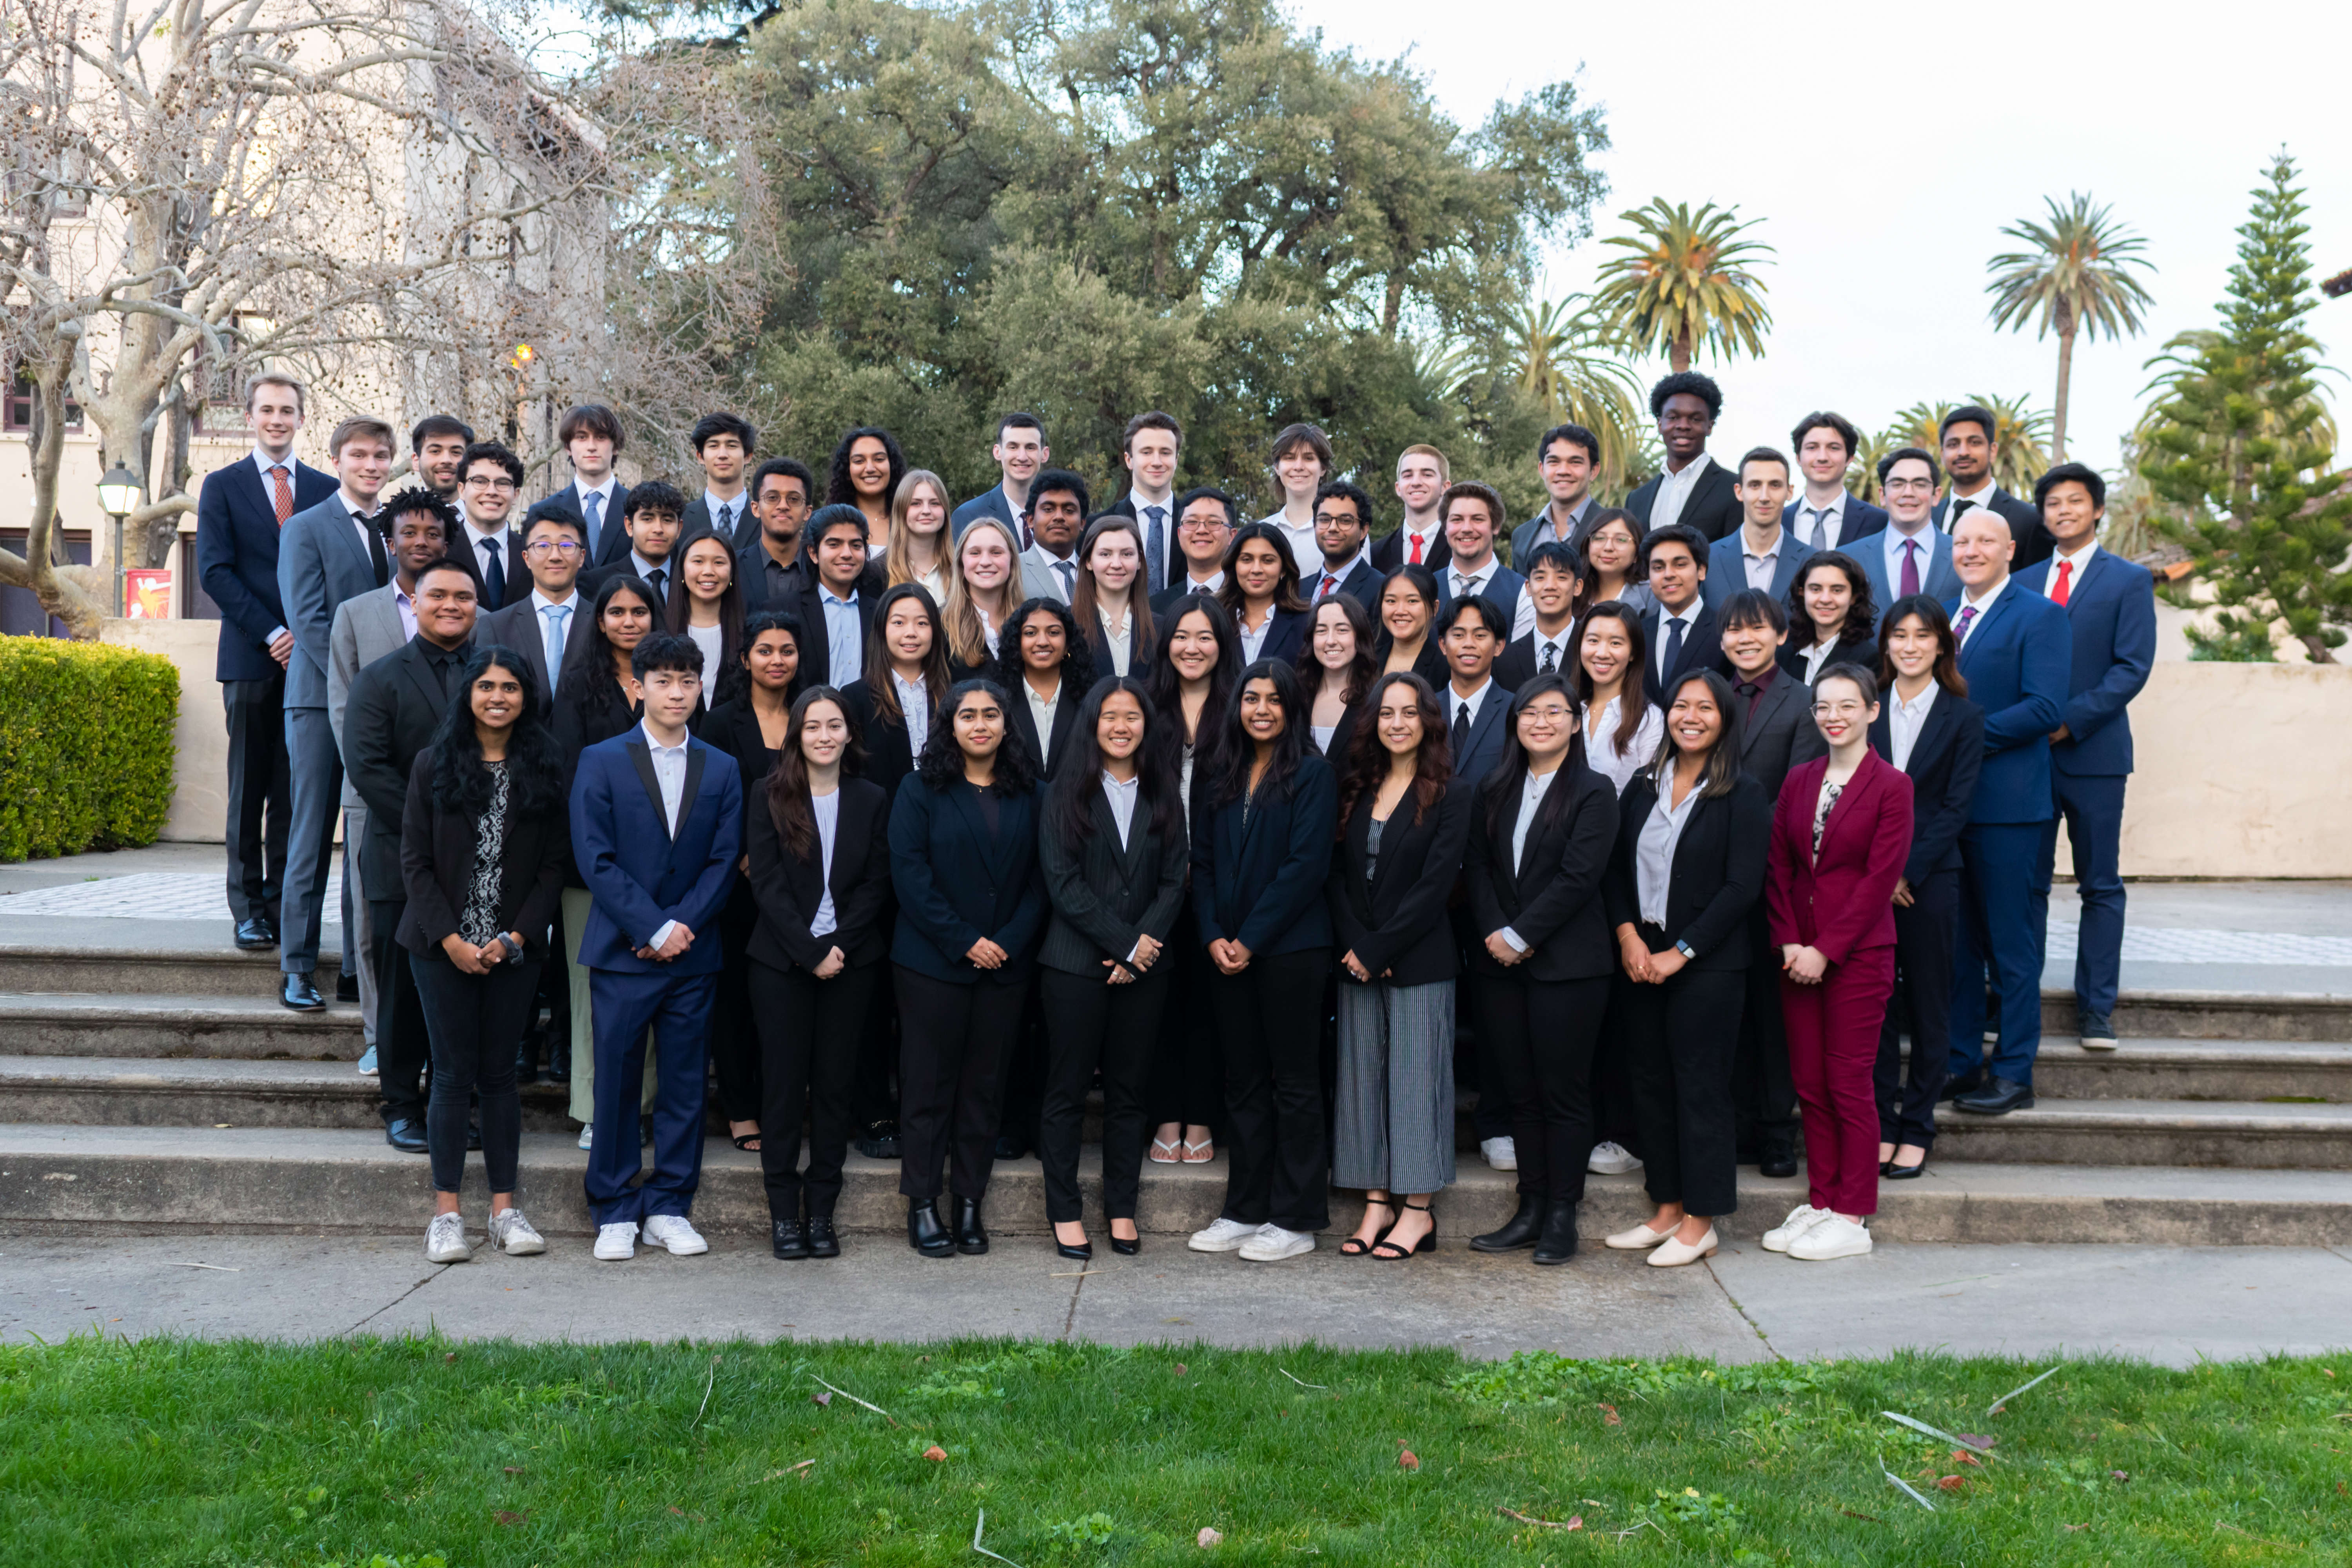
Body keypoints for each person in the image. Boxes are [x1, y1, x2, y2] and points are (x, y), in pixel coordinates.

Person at [571, 633, 743, 1262]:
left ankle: (669, 1205)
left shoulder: (722, 767)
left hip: (693, 954)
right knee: (617, 1083)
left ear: (700, 688)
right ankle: (615, 1208)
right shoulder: (601, 759)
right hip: (623, 954)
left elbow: (725, 859)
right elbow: (595, 857)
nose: (677, 693)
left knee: (684, 1085)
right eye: (664, 681)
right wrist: (651, 928)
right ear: (637, 687)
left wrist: (680, 928)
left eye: (688, 682)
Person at [400, 646, 568, 1264]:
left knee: (499, 1077)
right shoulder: (433, 764)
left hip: (513, 951)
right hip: (439, 947)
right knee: (450, 1075)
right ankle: (446, 1217)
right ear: (469, 694)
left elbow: (554, 867)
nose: (499, 697)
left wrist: (515, 938)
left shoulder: (545, 766)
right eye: (487, 686)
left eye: (511, 687)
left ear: (527, 697)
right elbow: (414, 862)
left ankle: (504, 1212)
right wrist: (451, 940)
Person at [1601, 669, 1770, 1268]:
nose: (1690, 717)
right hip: (1641, 957)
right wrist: (1628, 936)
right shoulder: (1643, 785)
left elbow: (1742, 887)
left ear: (1725, 720)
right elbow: (1613, 869)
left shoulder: (1743, 793)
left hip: (1708, 964)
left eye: (1705, 708)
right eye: (1681, 706)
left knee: (1701, 1090)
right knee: (1649, 1084)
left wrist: (1683, 951)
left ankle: (1702, 1221)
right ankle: (1667, 1208)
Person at [1186, 661, 1338, 1263]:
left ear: (1292, 708)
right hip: (1225, 951)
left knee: (1295, 1082)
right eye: (1252, 699)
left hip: (1291, 950)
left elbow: (1305, 867)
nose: (1262, 710)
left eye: (1275, 700)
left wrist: (1248, 939)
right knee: (1243, 1081)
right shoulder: (1219, 772)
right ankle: (1245, 1209)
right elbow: (1202, 863)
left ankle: (1296, 1218)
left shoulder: (1314, 774)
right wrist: (1213, 936)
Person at [889, 679, 1047, 1258]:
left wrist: (1004, 942)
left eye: (991, 715)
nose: (980, 724)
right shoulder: (919, 788)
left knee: (985, 1089)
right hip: (933, 964)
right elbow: (910, 874)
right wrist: (965, 941)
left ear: (1007, 724)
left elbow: (1043, 879)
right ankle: (923, 1204)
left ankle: (970, 1203)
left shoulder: (1034, 793)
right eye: (968, 715)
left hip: (1005, 964)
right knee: (928, 1088)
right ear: (949, 725)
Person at [1464, 675, 1619, 1263]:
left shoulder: (1595, 791)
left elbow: (1580, 877)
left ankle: (1561, 1213)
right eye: (1529, 712)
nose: (1541, 722)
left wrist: (1521, 935)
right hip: (1500, 964)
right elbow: (1477, 868)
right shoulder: (1494, 787)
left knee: (1563, 1093)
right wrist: (1496, 932)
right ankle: (1529, 1208)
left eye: (1555, 712)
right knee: (1521, 1094)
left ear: (1575, 724)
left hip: (1569, 966)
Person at [1762, 664, 1912, 1263]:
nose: (1834, 716)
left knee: (1849, 1083)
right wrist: (1790, 943)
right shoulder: (1800, 779)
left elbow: (1879, 881)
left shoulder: (1893, 786)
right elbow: (1779, 866)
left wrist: (1825, 950)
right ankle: (1822, 1202)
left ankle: (1853, 1213)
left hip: (1858, 955)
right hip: (1796, 954)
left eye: (1848, 705)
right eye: (1824, 706)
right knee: (1810, 1084)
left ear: (1872, 711)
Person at [1037, 677, 1189, 1260]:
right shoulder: (1064, 792)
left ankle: (1121, 1208)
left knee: (1130, 1094)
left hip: (1146, 970)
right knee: (1067, 1092)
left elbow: (1175, 878)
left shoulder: (1164, 789)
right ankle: (1065, 1213)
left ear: (1147, 725)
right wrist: (1127, 945)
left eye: (1132, 716)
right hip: (1075, 966)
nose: (1121, 726)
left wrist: (1141, 950)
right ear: (1092, 724)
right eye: (1110, 716)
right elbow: (1063, 884)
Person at [1328, 672, 1474, 1260]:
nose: (1397, 723)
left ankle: (1417, 1210)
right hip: (1357, 959)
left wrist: (1381, 948)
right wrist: (1359, 946)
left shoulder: (1452, 794)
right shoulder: (1355, 787)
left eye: (1409, 713)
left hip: (1419, 959)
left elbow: (1436, 886)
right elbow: (1335, 874)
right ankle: (1376, 1204)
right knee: (1361, 1084)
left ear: (1428, 721)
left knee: (1417, 1086)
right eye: (1387, 713)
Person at [744, 685, 892, 1259]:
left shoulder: (871, 798)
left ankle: (822, 1213)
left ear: (850, 733)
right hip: (782, 963)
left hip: (851, 963)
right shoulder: (769, 794)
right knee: (783, 1091)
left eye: (834, 725)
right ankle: (785, 1215)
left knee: (834, 1090)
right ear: (796, 735)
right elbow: (767, 883)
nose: (824, 736)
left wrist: (839, 948)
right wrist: (809, 951)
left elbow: (877, 883)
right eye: (813, 726)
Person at [343, 561, 481, 1153]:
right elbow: (367, 766)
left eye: (464, 597)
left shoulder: (493, 676)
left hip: (480, 863)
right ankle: (401, 1105)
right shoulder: (379, 679)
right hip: (399, 856)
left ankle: (455, 1102)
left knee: (462, 995)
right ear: (415, 603)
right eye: (438, 595)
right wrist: (434, 830)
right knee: (401, 991)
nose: (451, 605)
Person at [2016, 462, 2154, 1053]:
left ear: (2098, 510)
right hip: (2027, 758)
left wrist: (2070, 721)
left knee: (2099, 883)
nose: (2063, 511)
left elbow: (2132, 667)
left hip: (2095, 755)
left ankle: (2096, 1008)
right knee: (2026, 884)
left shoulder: (2129, 580)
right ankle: (2016, 1002)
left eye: (2075, 501)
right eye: (2053, 503)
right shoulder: (2021, 581)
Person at [198, 373, 337, 955]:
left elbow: (331, 572)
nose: (277, 420)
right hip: (251, 658)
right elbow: (215, 572)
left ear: (302, 418)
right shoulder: (222, 486)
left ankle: (284, 907)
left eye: (287, 410)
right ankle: (248, 911)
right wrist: (274, 632)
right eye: (267, 410)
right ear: (250, 417)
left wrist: (305, 637)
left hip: (312, 663)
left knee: (295, 792)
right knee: (248, 789)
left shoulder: (328, 488)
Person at [329, 488, 460, 1077]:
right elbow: (343, 709)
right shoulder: (356, 613)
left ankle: (438, 1039)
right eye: (409, 532)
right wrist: (396, 797)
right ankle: (380, 1036)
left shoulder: (469, 613)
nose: (421, 542)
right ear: (389, 541)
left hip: (456, 806)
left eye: (433, 533)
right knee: (373, 922)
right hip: (375, 797)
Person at [1943, 511, 2069, 1116]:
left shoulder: (2041, 616)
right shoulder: (1942, 616)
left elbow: (2045, 709)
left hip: (2009, 809)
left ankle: (2015, 1072)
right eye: (1962, 541)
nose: (1971, 550)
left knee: (2011, 947)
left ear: (2010, 550)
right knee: (1959, 946)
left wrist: (1962, 739)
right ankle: (1961, 1062)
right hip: (1949, 810)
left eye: (1985, 541)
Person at [276, 415, 394, 1011]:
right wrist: (361, 687)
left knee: (366, 837)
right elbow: (308, 620)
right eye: (359, 455)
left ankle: (355, 966)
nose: (371, 466)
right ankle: (297, 967)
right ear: (337, 461)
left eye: (381, 456)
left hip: (381, 711)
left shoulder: (396, 530)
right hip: (320, 701)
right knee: (312, 833)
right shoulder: (305, 526)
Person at [1869, 597, 1985, 1180]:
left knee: (1929, 1002)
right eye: (1899, 635)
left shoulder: (1964, 716)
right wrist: (1880, 874)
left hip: (1930, 880)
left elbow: (1955, 808)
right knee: (1877, 1006)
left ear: (1942, 644)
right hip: (1868, 879)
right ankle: (1881, 1124)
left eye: (1922, 635)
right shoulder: (1867, 708)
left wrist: (1905, 872)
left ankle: (1918, 1126)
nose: (1910, 645)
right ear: (1886, 643)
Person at [551, 575, 662, 1145]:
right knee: (590, 989)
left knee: (650, 988)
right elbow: (569, 775)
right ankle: (596, 1109)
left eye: (639, 611)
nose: (628, 621)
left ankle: (640, 1106)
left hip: (660, 869)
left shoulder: (669, 680)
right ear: (599, 621)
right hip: (590, 868)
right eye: (617, 612)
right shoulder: (577, 685)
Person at [842, 582, 951, 1160]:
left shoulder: (958, 693)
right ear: (881, 631)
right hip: (875, 865)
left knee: (930, 1000)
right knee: (872, 995)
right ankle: (873, 1110)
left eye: (922, 622)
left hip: (944, 865)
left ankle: (927, 1110)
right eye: (899, 622)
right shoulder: (855, 699)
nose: (911, 633)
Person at [700, 610, 806, 1152]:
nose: (777, 660)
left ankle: (781, 1105)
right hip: (739, 884)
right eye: (765, 650)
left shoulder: (812, 716)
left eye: (787, 650)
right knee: (737, 999)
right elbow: (711, 800)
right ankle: (741, 1110)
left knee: (787, 1001)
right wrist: (748, 857)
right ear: (745, 659)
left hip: (802, 882)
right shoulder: (721, 722)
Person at [1717, 588, 1812, 1178]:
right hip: (1710, 882)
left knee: (1772, 1013)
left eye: (1757, 628)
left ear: (1781, 635)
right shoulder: (1709, 697)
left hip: (1775, 880)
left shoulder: (1803, 701)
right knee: (1724, 1010)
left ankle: (1777, 1130)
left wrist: (1742, 846)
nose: (1744, 638)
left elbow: (1797, 793)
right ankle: (1730, 1126)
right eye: (1734, 629)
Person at [1142, 593, 1240, 1166]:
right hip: (1151, 882)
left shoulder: (1242, 707)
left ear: (1222, 645)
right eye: (1181, 636)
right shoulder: (1145, 704)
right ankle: (1164, 1116)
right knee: (1159, 1002)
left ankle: (1201, 1116)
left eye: (1205, 637)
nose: (1192, 647)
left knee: (1209, 1002)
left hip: (1220, 882)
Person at [477, 510, 592, 709]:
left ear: (582, 557)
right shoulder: (496, 626)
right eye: (543, 546)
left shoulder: (603, 622)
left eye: (566, 546)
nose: (555, 556)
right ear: (527, 558)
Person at [1625, 373, 1740, 541]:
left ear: (1710, 426)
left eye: (1695, 419)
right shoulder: (1636, 499)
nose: (1683, 426)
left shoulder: (1734, 490)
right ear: (1660, 424)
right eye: (1673, 418)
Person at [1933, 405, 2052, 567]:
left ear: (1993, 451)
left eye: (1975, 443)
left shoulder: (2029, 521)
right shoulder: (1929, 517)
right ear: (1942, 454)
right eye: (1953, 444)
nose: (1963, 452)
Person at [1703, 448, 1814, 612]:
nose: (1764, 497)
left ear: (1789, 492)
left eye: (1775, 485)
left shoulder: (1812, 561)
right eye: (1755, 485)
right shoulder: (1709, 560)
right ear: (1739, 492)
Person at [1855, 447, 1962, 617]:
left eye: (1920, 485)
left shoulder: (1964, 555)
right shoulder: (1852, 557)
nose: (1908, 493)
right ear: (1882, 495)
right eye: (1897, 484)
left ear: (1936, 495)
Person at [525, 403, 633, 568]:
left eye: (601, 437)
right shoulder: (541, 512)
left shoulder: (638, 508)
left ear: (616, 447)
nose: (592, 447)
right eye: (582, 437)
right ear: (568, 447)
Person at [1575, 603, 1664, 798]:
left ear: (1633, 653)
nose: (1602, 653)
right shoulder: (1566, 709)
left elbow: (1645, 797)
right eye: (1593, 641)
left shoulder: (1650, 721)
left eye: (1615, 643)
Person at [788, 506, 878, 691]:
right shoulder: (787, 611)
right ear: (813, 553)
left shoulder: (880, 613)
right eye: (834, 544)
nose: (847, 554)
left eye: (856, 545)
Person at [1781, 552, 1880, 714]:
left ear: (1854, 597)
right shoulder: (1783, 655)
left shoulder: (1868, 659)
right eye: (1816, 589)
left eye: (1837, 590)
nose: (1825, 599)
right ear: (1802, 593)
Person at [999, 597, 1087, 779]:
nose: (1042, 642)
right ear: (1017, 643)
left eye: (1053, 632)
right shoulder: (997, 701)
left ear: (1068, 644)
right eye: (1031, 633)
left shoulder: (1089, 700)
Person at [1435, 481, 1533, 640]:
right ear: (1445, 527)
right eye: (1457, 520)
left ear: (1496, 526)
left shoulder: (1523, 594)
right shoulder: (1426, 589)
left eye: (1478, 519)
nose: (1467, 529)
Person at [1434, 595, 1515, 787]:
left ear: (1499, 646)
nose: (1469, 644)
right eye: (1458, 635)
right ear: (1443, 645)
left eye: (1480, 635)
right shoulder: (1426, 709)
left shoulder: (1515, 710)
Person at [1639, 524, 1721, 702]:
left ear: (1701, 570)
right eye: (1658, 567)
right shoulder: (1636, 633)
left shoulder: (1724, 630)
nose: (1668, 574)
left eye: (1680, 565)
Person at [1783, 412, 1887, 551]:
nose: (1822, 457)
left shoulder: (1879, 522)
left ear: (1850, 458)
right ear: (1798, 457)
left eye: (1834, 448)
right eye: (1812, 448)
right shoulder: (1779, 521)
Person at [1071, 514, 1154, 682]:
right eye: (1105, 554)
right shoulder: (1067, 626)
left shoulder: (1160, 629)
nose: (1116, 564)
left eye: (1127, 554)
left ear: (1139, 561)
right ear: (1088, 561)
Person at [667, 534, 746, 710]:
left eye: (719, 562)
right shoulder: (660, 631)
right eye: (698, 561)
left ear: (732, 572)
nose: (708, 571)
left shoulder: (749, 635)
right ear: (682, 569)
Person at [1108, 412, 1184, 593]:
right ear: (1129, 460)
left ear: (1176, 461)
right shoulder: (1100, 524)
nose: (1157, 462)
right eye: (1147, 452)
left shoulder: (1195, 526)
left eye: (1165, 453)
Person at [1495, 540, 1584, 688]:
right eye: (1540, 578)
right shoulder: (1505, 660)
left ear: (1578, 587)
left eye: (1561, 577)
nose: (1550, 586)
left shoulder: (1592, 650)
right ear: (1528, 587)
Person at [1217, 522, 1309, 665]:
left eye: (1268, 561)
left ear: (1284, 569)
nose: (1256, 570)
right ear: (1234, 565)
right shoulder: (1214, 618)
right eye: (1247, 560)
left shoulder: (1306, 623)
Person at [579, 481, 686, 602]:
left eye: (667, 520)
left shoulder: (691, 582)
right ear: (630, 526)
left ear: (679, 529)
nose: (658, 529)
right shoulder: (596, 584)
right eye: (647, 519)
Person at [952, 412, 1050, 546]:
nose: (1022, 457)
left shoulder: (1061, 516)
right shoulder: (969, 516)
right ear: (997, 452)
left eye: (1030, 448)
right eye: (1013, 447)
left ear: (1045, 454)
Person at [1299, 592, 1376, 760]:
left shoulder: (1376, 700)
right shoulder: (1297, 697)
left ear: (1360, 636)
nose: (1331, 641)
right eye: (1321, 631)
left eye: (1342, 630)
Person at [454, 441, 528, 611]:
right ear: (462, 490)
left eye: (503, 483)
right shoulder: (442, 548)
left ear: (515, 495)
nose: (491, 491)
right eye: (480, 481)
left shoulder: (531, 551)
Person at [945, 515, 1021, 677]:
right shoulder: (941, 625)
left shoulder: (1030, 621)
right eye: (975, 553)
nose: (985, 562)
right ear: (961, 563)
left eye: (996, 552)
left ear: (1012, 561)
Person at [738, 457, 818, 606]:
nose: (783, 506)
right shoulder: (733, 568)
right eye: (773, 498)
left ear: (807, 512)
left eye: (794, 499)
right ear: (756, 508)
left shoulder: (821, 570)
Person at [1513, 424, 1601, 561]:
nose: (1563, 471)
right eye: (1554, 462)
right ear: (1542, 470)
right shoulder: (1521, 536)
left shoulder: (1613, 528)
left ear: (1594, 471)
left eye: (1575, 462)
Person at [1258, 422, 1334, 570]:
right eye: (1290, 458)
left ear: (1323, 468)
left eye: (1309, 458)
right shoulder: (1262, 531)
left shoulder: (1344, 532)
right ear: (1277, 467)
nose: (1299, 467)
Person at [1151, 486, 1237, 610]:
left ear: (1232, 536)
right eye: (1191, 522)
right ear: (1179, 534)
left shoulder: (1248, 600)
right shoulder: (1156, 607)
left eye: (1213, 523)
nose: (1201, 530)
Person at [826, 426, 906, 557]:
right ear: (847, 470)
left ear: (892, 466)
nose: (870, 468)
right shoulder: (825, 522)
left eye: (879, 459)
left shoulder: (911, 520)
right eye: (859, 461)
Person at [1371, 445, 1451, 572]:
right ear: (1398, 488)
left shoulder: (1459, 548)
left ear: (1445, 487)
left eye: (1427, 475)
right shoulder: (1376, 554)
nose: (1416, 482)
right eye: (1408, 475)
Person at [683, 412, 758, 547]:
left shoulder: (766, 518)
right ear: (700, 457)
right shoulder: (680, 519)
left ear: (748, 456)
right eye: (714, 446)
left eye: (732, 446)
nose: (723, 455)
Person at [1300, 480, 1379, 605]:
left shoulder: (1381, 589)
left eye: (1345, 521)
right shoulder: (1298, 590)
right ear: (1314, 525)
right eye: (1324, 520)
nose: (1333, 528)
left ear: (1364, 530)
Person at [1019, 468, 1088, 603]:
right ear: (1031, 520)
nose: (1059, 517)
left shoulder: (1096, 571)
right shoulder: (1013, 570)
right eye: (1048, 509)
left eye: (1069, 510)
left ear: (1082, 523)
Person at [1374, 564, 1450, 686]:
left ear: (1434, 608)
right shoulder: (1369, 661)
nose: (1400, 611)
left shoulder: (1446, 667)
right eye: (1391, 601)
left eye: (1412, 601)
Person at [885, 469, 955, 603]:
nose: (926, 511)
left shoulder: (963, 570)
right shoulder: (879, 573)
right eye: (916, 503)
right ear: (901, 510)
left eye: (935, 503)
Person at [1577, 508, 1657, 617]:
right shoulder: (1573, 592)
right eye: (1600, 538)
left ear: (1637, 553)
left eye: (1621, 540)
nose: (1608, 548)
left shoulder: (1651, 595)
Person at [410, 415, 474, 501]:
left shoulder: (487, 509)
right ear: (416, 461)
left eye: (456, 452)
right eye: (435, 451)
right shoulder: (401, 510)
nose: (446, 460)